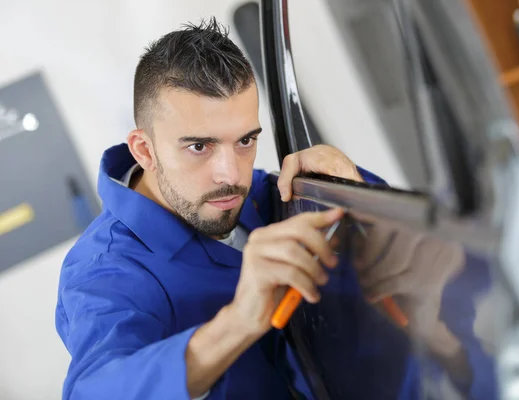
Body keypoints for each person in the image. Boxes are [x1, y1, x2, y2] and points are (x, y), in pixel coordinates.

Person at [55, 18, 386, 400]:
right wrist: (239, 322)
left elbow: (403, 247)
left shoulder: (264, 195)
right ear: (145, 151)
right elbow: (95, 392)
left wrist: (350, 184)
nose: (230, 175)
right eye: (199, 147)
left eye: (245, 140)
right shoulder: (103, 272)